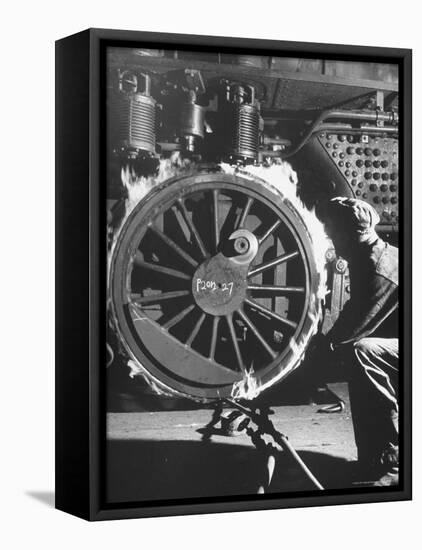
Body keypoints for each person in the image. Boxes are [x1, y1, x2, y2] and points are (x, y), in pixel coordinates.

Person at [315, 197, 399, 487]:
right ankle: (373, 461)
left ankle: (392, 462)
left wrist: (312, 355)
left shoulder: (379, 268)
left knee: (365, 352)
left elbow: (357, 326)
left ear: (354, 234)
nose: (330, 238)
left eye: (333, 232)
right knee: (361, 352)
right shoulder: (365, 256)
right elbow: (352, 313)